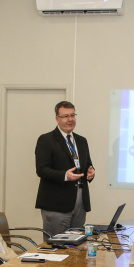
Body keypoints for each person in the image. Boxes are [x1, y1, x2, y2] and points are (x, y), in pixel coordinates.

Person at [35, 101, 96, 236]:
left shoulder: (82, 141)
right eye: (66, 116)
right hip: (56, 204)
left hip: (80, 202)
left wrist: (90, 173)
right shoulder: (46, 140)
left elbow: (87, 165)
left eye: (73, 115)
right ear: (57, 119)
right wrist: (65, 176)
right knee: (57, 245)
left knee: (77, 244)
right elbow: (41, 169)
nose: (70, 119)